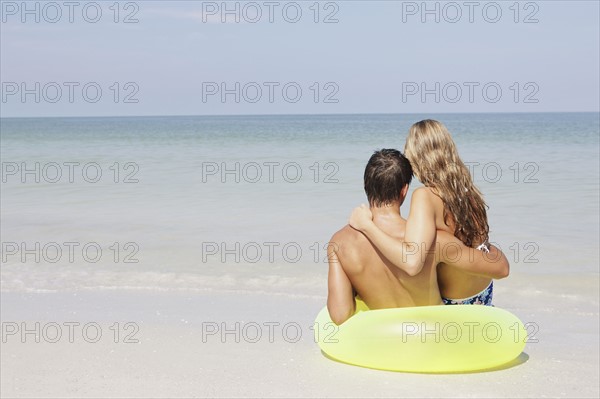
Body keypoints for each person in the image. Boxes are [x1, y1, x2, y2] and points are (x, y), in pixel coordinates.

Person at [328, 149, 508, 325]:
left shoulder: (339, 243)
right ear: (404, 191)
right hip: (433, 341)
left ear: (366, 185)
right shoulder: (434, 242)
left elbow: (340, 315)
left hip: (386, 344)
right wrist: (482, 242)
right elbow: (499, 268)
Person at [349, 120, 507, 307]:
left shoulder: (425, 196)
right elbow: (485, 253)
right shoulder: (469, 194)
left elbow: (412, 262)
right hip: (484, 294)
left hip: (454, 305)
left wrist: (367, 226)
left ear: (415, 157)